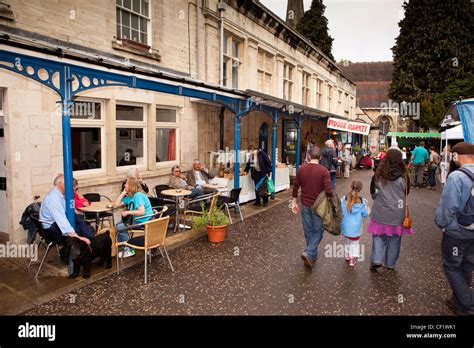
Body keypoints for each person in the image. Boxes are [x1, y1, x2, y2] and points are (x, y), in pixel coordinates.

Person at [434, 142, 474, 316]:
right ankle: (457, 301)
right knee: (466, 266)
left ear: (456, 156)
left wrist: (441, 223)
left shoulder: (457, 177)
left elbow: (448, 206)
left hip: (456, 232)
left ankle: (467, 304)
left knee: (451, 266)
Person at [368, 149, 413, 272]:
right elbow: (406, 192)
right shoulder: (404, 175)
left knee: (378, 236)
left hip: (381, 210)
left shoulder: (378, 175)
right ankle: (390, 264)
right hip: (397, 212)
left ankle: (377, 259)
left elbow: (373, 192)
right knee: (395, 238)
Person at [291, 147, 332, 269]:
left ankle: (310, 255)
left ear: (309, 156)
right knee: (319, 230)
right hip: (319, 206)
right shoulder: (324, 171)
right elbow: (329, 190)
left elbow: (295, 186)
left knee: (308, 230)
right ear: (320, 157)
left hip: (305, 204)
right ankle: (309, 253)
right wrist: (329, 200)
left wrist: (294, 202)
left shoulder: (301, 169)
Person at [39, 174, 94, 244]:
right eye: (68, 184)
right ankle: (88, 241)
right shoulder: (54, 198)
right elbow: (62, 221)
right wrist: (78, 237)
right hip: (51, 231)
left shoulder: (61, 194)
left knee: (78, 219)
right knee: (80, 230)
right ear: (60, 184)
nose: (71, 187)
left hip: (56, 224)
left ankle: (90, 238)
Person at [114, 177, 154, 258]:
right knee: (118, 225)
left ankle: (128, 249)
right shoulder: (129, 197)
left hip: (145, 221)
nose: (124, 185)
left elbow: (142, 212)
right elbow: (116, 204)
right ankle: (125, 246)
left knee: (120, 227)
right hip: (137, 220)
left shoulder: (138, 196)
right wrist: (123, 193)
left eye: (126, 184)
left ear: (131, 186)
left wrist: (128, 212)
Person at [341, 180, 369, 267]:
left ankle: (347, 255)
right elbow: (365, 214)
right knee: (354, 243)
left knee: (347, 241)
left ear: (350, 187)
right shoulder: (362, 202)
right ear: (360, 189)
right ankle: (352, 259)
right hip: (356, 228)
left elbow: (340, 211)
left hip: (345, 227)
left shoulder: (343, 199)